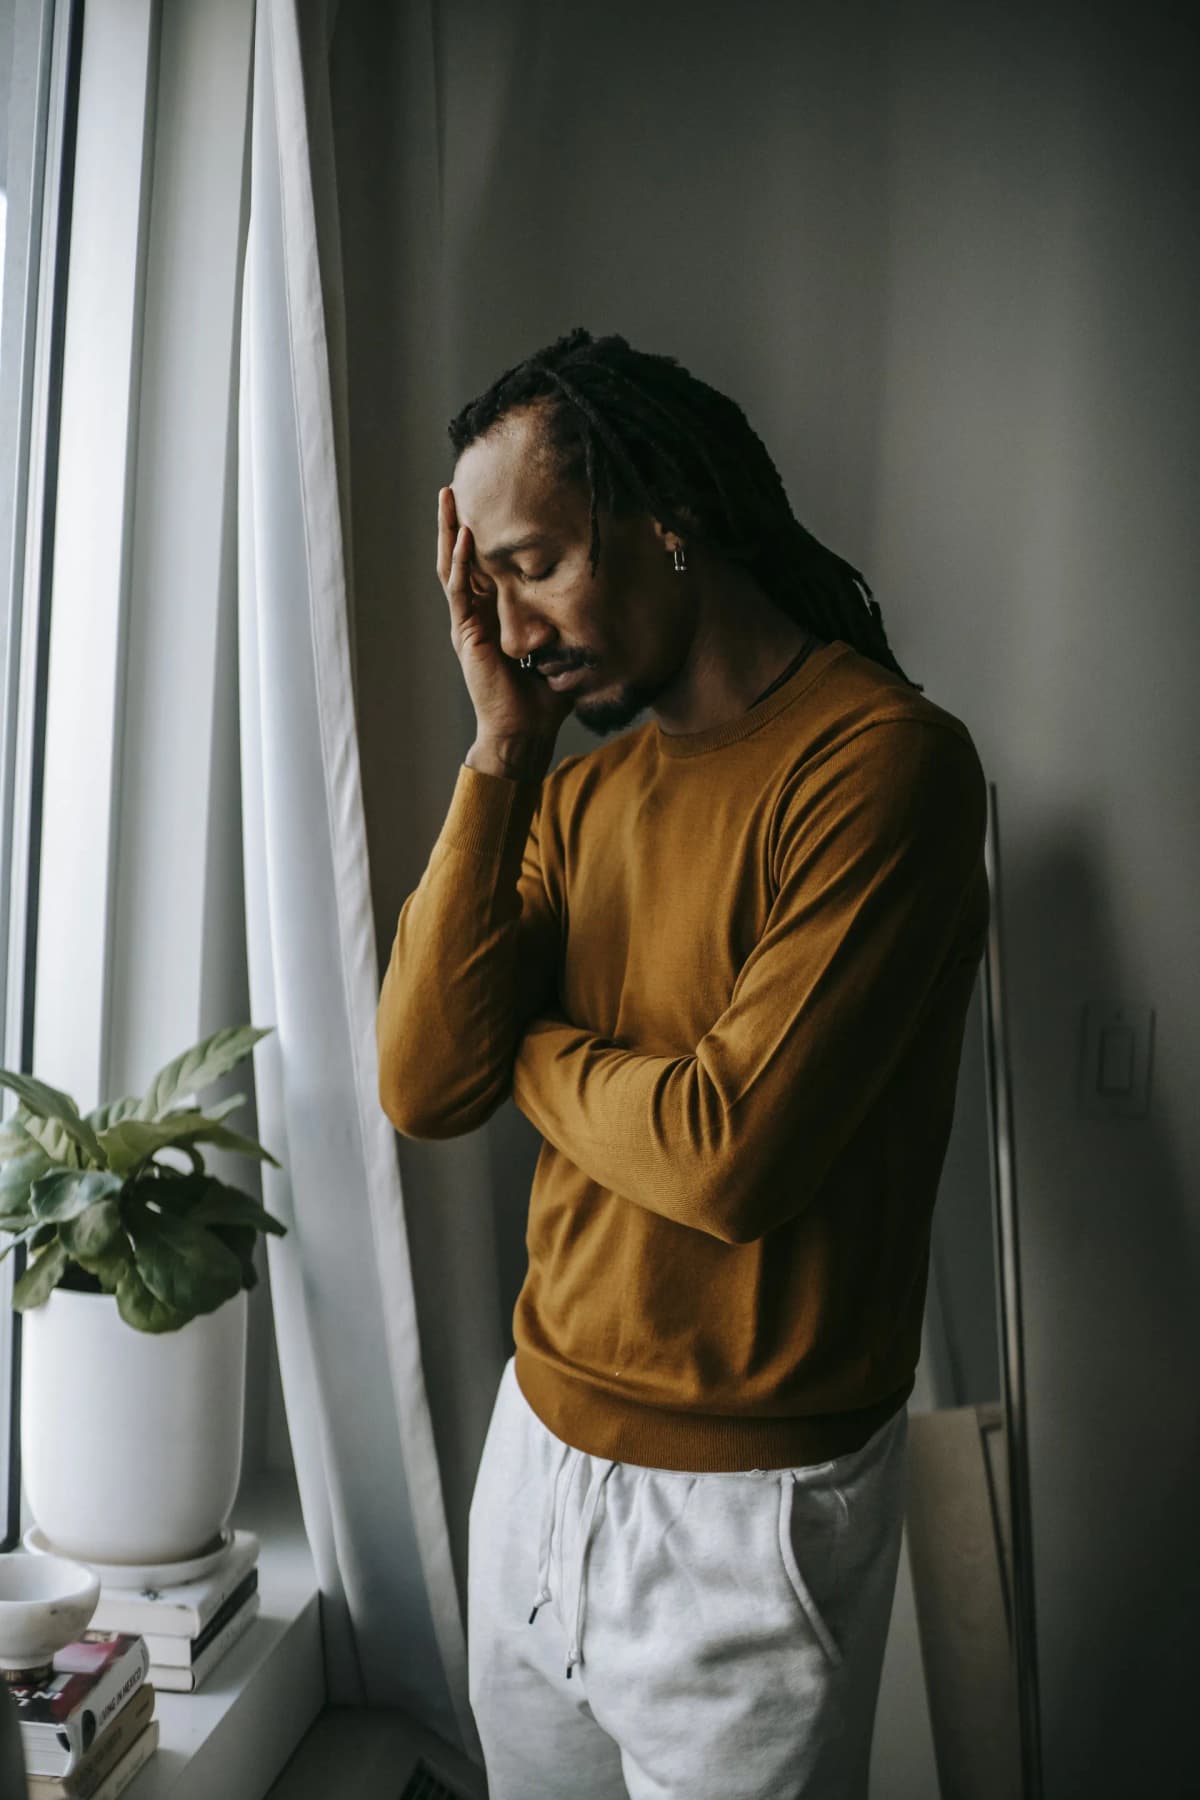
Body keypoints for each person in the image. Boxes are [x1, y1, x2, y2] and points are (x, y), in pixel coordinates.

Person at [376, 328, 989, 1799]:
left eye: (530, 563)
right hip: (535, 1464)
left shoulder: (884, 762)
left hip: (745, 1518)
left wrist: (527, 1041)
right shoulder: (576, 794)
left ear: (665, 512)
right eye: (487, 588)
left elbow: (727, 1156)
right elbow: (419, 1080)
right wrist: (500, 753)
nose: (511, 626)